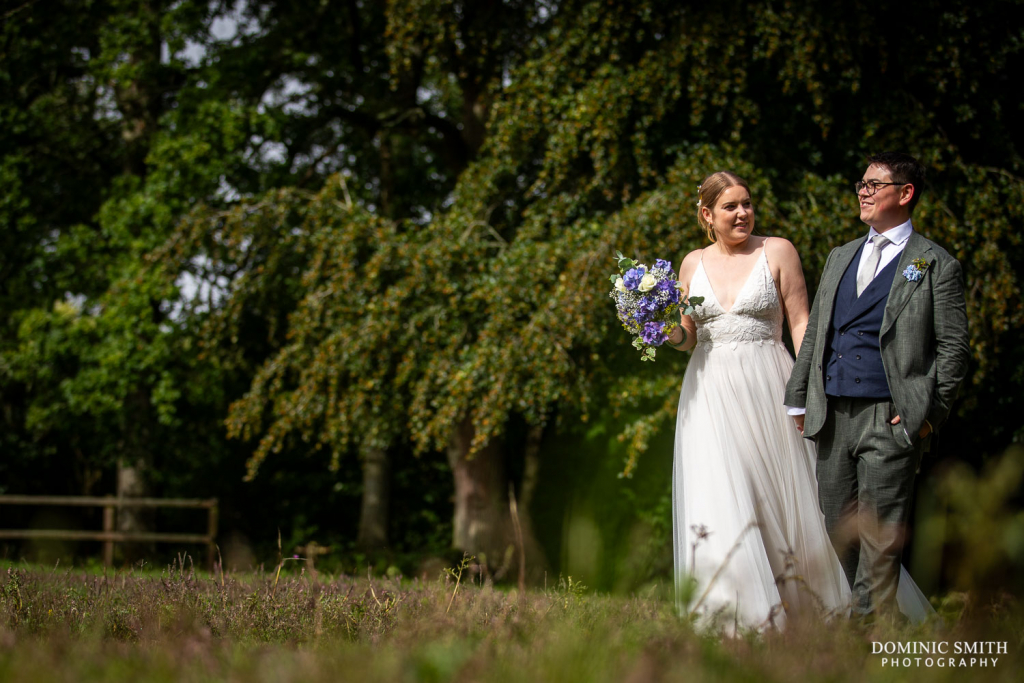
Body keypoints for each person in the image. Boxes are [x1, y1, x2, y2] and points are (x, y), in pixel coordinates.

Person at [785, 152, 970, 622]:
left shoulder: (935, 264)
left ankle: (867, 640)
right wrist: (798, 395)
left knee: (880, 537)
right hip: (833, 414)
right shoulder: (840, 255)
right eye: (861, 184)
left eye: (873, 184)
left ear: (904, 194)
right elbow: (819, 331)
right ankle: (878, 618)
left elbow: (954, 351)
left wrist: (927, 416)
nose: (862, 191)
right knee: (837, 524)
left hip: (892, 416)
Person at [664, 171, 850, 632]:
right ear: (707, 215)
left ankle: (812, 608)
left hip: (770, 383)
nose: (743, 213)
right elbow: (687, 337)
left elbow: (801, 322)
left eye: (747, 203)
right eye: (731, 207)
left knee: (783, 495)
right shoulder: (691, 263)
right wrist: (659, 328)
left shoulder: (778, 250)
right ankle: (735, 615)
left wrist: (808, 388)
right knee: (722, 494)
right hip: (708, 392)